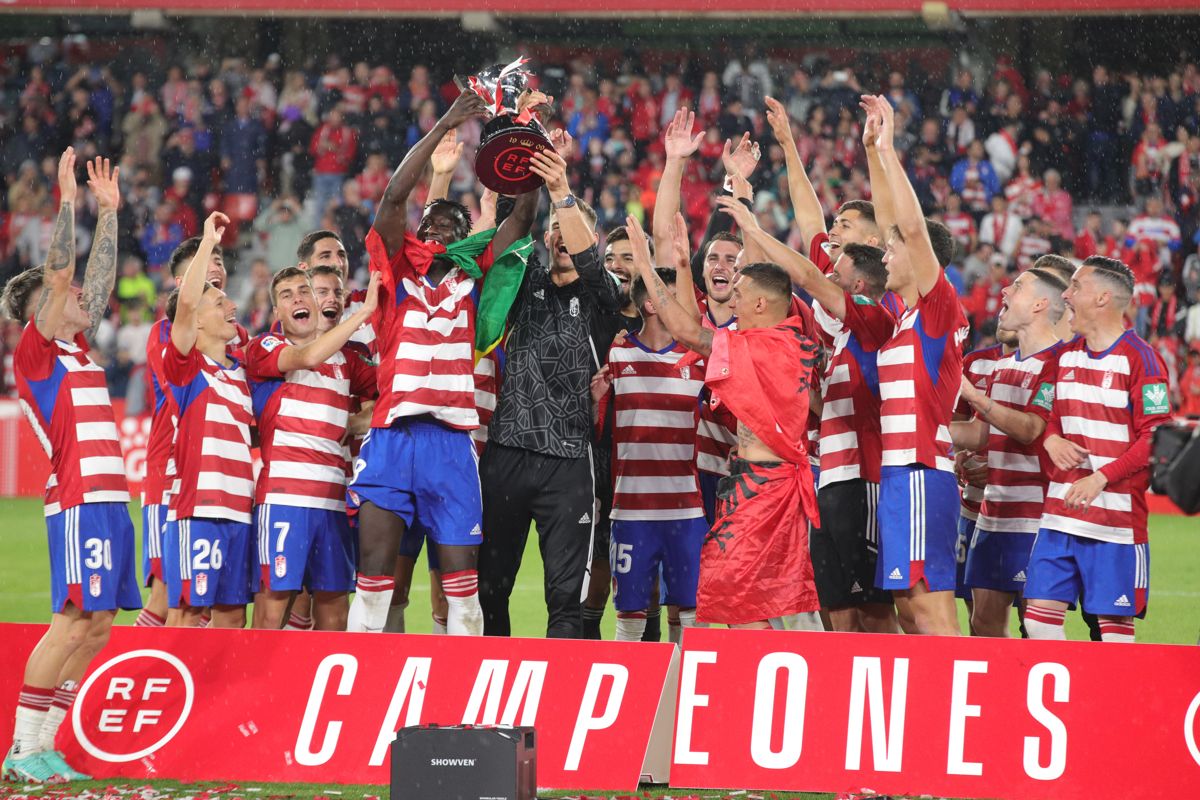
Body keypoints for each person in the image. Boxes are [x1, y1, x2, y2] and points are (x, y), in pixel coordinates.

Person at [349, 89, 537, 636]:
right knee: (374, 586)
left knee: (464, 596)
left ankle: (459, 687)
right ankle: (362, 681)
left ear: (465, 238)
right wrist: (444, 124)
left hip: (454, 445)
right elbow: (393, 198)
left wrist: (525, 137)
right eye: (429, 220)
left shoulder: (474, 282)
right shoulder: (394, 274)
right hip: (392, 437)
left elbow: (522, 218)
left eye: (452, 223)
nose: (437, 227)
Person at [1, 150, 138, 783]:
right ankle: (21, 747)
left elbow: (97, 284)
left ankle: (46, 745)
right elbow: (62, 275)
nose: (83, 296)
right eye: (67, 295)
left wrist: (109, 215)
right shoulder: (35, 354)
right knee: (69, 622)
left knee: (99, 626)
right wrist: (67, 202)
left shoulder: (77, 349)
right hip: (79, 500)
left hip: (111, 501)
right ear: (41, 313)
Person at [624, 215, 820, 628]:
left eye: (740, 295)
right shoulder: (775, 343)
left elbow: (688, 333)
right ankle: (775, 665)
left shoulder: (767, 347)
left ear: (761, 305)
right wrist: (682, 268)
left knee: (751, 601)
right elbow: (697, 328)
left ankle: (789, 667)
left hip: (767, 489)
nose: (732, 304)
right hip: (756, 483)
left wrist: (645, 266)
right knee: (760, 600)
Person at [478, 125, 622, 639]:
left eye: (573, 227)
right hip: (507, 453)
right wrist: (531, 166)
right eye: (556, 227)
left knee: (565, 599)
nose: (563, 234)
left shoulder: (604, 296)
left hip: (569, 462)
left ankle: (560, 683)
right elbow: (514, 226)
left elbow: (588, 263)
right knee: (490, 589)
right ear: (546, 238)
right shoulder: (523, 281)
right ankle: (494, 676)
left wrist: (562, 192)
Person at [850, 95, 969, 635]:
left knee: (930, 608)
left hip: (922, 471)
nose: (884, 256)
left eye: (892, 252)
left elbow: (911, 232)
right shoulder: (905, 317)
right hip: (899, 475)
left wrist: (891, 149)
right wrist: (872, 153)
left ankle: (959, 689)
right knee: (906, 606)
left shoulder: (937, 310)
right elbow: (891, 228)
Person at [1025, 257, 1171, 642]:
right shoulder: (1062, 356)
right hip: (1059, 514)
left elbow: (1155, 436)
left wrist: (1100, 478)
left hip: (1116, 522)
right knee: (1038, 622)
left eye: (1076, 286)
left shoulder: (1141, 359)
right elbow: (1043, 415)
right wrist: (1051, 438)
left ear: (1103, 298)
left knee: (1114, 636)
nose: (1066, 295)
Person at [245, 268, 379, 630]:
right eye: (286, 295)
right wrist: (364, 314)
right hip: (284, 499)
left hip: (333, 503)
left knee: (334, 617)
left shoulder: (347, 359)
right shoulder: (265, 346)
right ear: (277, 312)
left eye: (303, 291)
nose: (297, 298)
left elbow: (390, 388)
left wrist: (357, 420)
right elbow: (304, 358)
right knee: (272, 613)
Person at [951, 267, 1068, 637]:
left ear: (1039, 304)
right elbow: (980, 434)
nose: (1004, 291)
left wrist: (974, 396)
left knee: (1037, 627)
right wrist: (923, 430)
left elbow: (1031, 428)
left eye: (1017, 287)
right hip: (993, 515)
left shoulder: (1061, 362)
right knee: (982, 624)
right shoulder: (1003, 365)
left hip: (1037, 518)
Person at [591, 267, 707, 641]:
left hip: (685, 511)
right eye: (674, 297)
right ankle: (632, 679)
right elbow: (597, 429)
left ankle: (684, 678)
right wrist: (594, 401)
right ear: (652, 305)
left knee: (691, 612)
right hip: (632, 512)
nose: (684, 305)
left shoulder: (697, 358)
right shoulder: (619, 352)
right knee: (629, 613)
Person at [138, 236, 243, 629]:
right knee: (168, 596)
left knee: (214, 604)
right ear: (184, 285)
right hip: (171, 474)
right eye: (204, 263)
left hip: (218, 481)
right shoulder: (167, 333)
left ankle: (192, 666)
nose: (216, 267)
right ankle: (144, 664)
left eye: (219, 260)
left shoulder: (235, 337)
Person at [161, 212, 255, 629]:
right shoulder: (187, 369)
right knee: (185, 616)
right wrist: (206, 243)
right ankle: (169, 677)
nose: (232, 306)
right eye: (219, 303)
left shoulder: (240, 374)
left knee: (232, 619)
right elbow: (184, 302)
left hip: (240, 511)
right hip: (198, 510)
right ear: (196, 319)